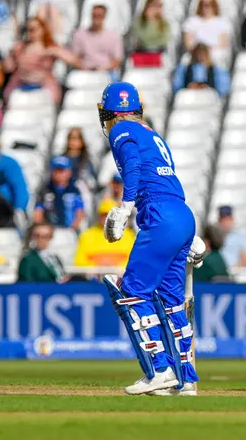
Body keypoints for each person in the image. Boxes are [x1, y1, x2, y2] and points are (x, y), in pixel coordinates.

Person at [98, 81, 204, 396]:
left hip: (159, 215)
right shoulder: (153, 134)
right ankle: (186, 379)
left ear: (108, 112)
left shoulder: (121, 130)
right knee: (172, 301)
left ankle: (160, 369)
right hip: (181, 214)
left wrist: (125, 208)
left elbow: (133, 167)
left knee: (132, 291)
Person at [4, 17, 79, 105]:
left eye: (34, 29)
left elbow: (74, 61)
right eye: (28, 29)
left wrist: (55, 52)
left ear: (42, 29)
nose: (31, 32)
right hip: (20, 84)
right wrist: (11, 54)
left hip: (44, 85)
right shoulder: (20, 47)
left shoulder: (50, 46)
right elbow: (8, 68)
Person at [74, 198, 136, 269]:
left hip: (120, 276)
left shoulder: (128, 234)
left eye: (110, 214)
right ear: (99, 216)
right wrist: (97, 268)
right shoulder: (87, 235)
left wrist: (114, 268)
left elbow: (133, 259)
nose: (106, 218)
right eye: (104, 214)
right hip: (93, 277)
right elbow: (79, 261)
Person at [33, 156, 85, 229]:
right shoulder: (45, 189)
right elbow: (38, 212)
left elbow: (80, 212)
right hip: (50, 231)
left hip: (69, 230)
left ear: (69, 172)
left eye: (62, 170)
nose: (59, 173)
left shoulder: (75, 190)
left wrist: (73, 228)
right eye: (56, 170)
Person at [72, 5, 123, 74]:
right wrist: (85, 68)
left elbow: (117, 60)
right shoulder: (79, 34)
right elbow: (75, 57)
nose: (96, 18)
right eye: (94, 15)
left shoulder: (114, 36)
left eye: (99, 15)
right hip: (85, 72)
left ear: (104, 16)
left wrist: (103, 69)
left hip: (106, 72)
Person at [183, 0, 231, 66]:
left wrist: (208, 50)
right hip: (196, 53)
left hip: (215, 54)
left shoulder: (222, 22)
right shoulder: (191, 21)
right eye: (203, 4)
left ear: (214, 5)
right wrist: (201, 51)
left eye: (209, 4)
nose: (205, 7)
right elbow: (188, 44)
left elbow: (223, 45)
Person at [217, 205, 246, 269]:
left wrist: (235, 269)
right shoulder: (214, 236)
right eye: (223, 220)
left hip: (235, 273)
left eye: (227, 219)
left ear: (232, 219)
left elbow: (245, 259)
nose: (225, 223)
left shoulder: (241, 236)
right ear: (219, 221)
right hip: (216, 273)